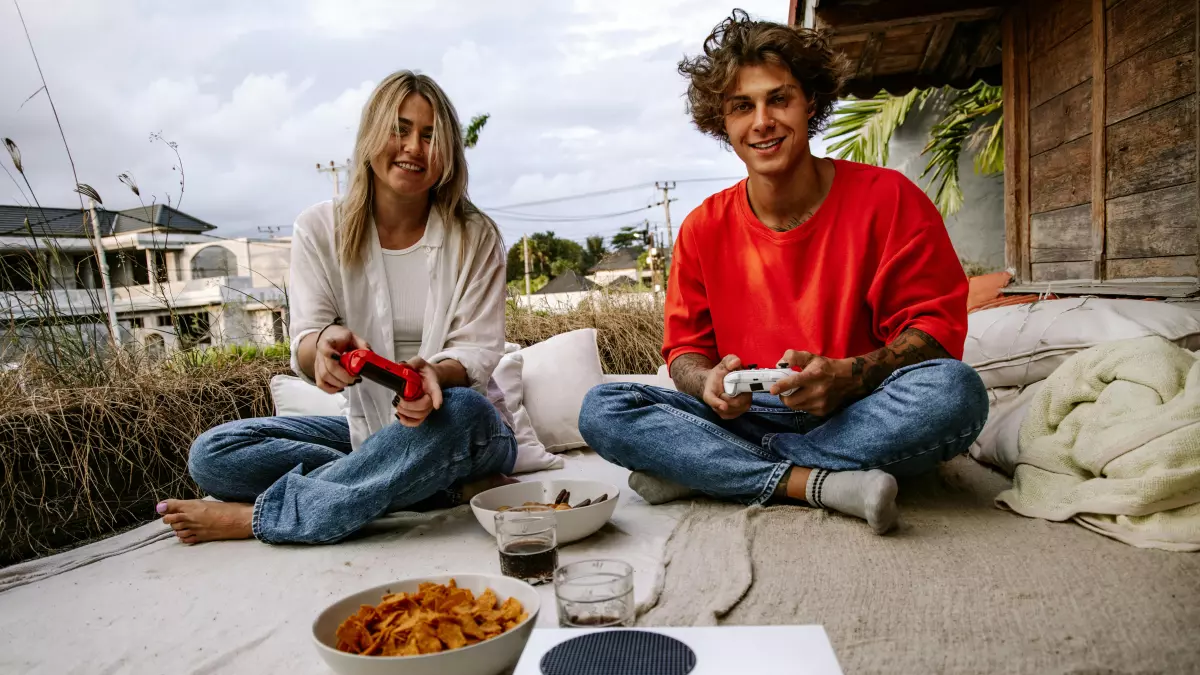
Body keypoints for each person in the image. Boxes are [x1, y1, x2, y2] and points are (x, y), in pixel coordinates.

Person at [578, 10, 988, 534]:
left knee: (956, 394)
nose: (762, 121)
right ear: (721, 122)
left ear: (809, 102)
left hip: (858, 410)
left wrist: (849, 375)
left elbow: (935, 332)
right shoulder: (703, 226)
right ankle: (812, 482)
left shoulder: (889, 199)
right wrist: (707, 382)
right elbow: (684, 354)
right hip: (746, 414)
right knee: (603, 408)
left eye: (779, 98)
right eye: (741, 106)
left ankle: (714, 469)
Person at [158, 71, 514, 545]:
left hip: (462, 429)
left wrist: (434, 375)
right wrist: (321, 346)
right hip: (366, 429)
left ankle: (260, 518)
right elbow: (307, 339)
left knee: (465, 409)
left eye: (430, 136)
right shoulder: (319, 228)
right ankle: (428, 487)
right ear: (371, 136)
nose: (412, 147)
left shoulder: (477, 236)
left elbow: (477, 350)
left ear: (447, 152)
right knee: (215, 453)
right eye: (400, 129)